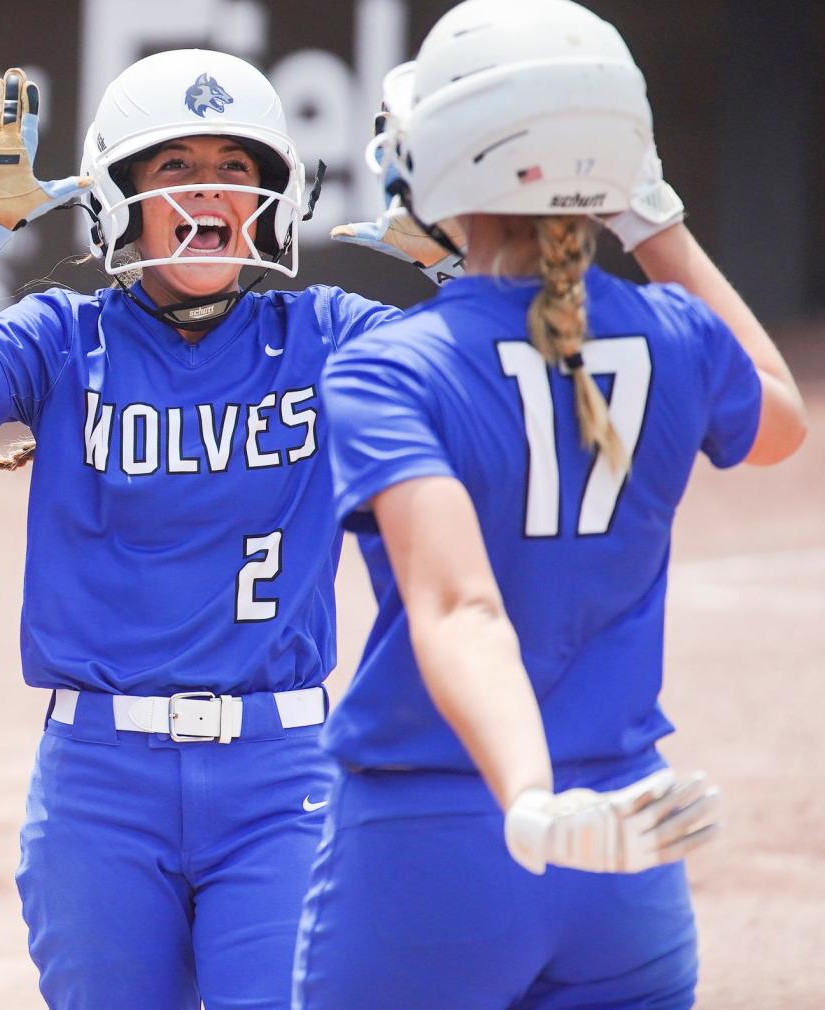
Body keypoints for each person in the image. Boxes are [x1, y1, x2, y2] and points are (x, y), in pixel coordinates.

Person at [0, 48, 428, 1010]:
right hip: (100, 780)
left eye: (236, 166)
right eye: (175, 165)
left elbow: (493, 380)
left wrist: (463, 266)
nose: (209, 187)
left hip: (278, 773)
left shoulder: (328, 332)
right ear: (118, 194)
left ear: (274, 199)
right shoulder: (64, 336)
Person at [291, 3, 808, 1009]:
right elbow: (780, 413)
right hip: (629, 845)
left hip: (441, 836)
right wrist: (655, 225)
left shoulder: (391, 368)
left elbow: (461, 608)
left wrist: (531, 799)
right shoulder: (675, 334)